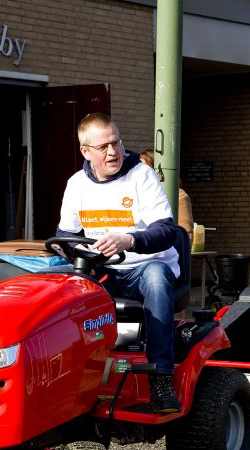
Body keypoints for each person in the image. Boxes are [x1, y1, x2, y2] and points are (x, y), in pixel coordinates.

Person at [56, 113, 181, 413]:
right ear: (86, 152)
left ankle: (161, 378)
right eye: (104, 147)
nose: (113, 152)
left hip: (145, 267)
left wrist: (130, 239)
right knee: (56, 287)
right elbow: (66, 234)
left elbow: (167, 231)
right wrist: (79, 251)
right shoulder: (76, 185)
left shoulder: (141, 175)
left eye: (117, 143)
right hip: (104, 270)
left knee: (156, 277)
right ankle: (70, 380)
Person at [139, 148, 194, 240]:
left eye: (145, 168)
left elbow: (186, 233)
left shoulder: (179, 196)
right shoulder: (138, 193)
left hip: (165, 251)